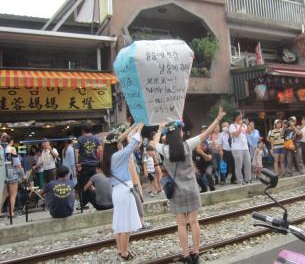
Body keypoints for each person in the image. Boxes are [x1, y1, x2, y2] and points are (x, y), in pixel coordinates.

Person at [153, 106, 226, 264]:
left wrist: (159, 130)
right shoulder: (188, 145)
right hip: (192, 189)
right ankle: (196, 253)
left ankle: (186, 256)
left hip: (176, 192)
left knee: (181, 224)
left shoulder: (164, 149)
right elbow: (206, 133)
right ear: (179, 133)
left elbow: (153, 143)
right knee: (194, 222)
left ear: (168, 134)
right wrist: (218, 118)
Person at [102, 123, 143, 261]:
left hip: (117, 191)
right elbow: (133, 144)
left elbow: (127, 142)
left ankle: (121, 251)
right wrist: (139, 128)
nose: (121, 143)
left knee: (119, 224)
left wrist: (133, 126)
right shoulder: (118, 156)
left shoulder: (109, 157)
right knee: (125, 225)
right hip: (124, 191)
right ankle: (125, 253)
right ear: (115, 144)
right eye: (119, 142)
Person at [75, 124, 101, 207]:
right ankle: (99, 199)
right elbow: (100, 150)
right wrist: (100, 161)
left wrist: (77, 163)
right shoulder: (96, 138)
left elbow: (76, 152)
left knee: (84, 184)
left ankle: (84, 202)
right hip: (95, 165)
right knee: (96, 183)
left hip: (84, 165)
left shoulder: (80, 139)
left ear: (83, 130)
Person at [1, 135, 24, 218]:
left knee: (3, 195)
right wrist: (23, 174)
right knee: (13, 195)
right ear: (11, 141)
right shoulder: (12, 149)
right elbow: (17, 164)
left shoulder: (1, 149)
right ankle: (11, 213)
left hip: (3, 174)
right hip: (12, 173)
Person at [229, 111, 252, 184]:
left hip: (245, 147)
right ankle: (240, 181)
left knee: (248, 163)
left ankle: (248, 179)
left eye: (241, 116)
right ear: (236, 117)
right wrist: (241, 125)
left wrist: (247, 124)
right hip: (237, 148)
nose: (241, 117)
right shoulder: (232, 126)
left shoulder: (244, 125)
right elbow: (236, 134)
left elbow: (249, 132)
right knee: (239, 165)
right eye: (239, 115)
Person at [193, 126, 215, 192]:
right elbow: (193, 160)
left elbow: (209, 158)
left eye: (203, 144)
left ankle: (212, 187)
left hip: (209, 165)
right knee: (197, 176)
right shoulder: (194, 151)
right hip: (200, 167)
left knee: (208, 173)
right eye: (200, 144)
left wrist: (203, 154)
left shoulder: (208, 149)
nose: (201, 146)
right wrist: (194, 168)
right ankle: (204, 188)